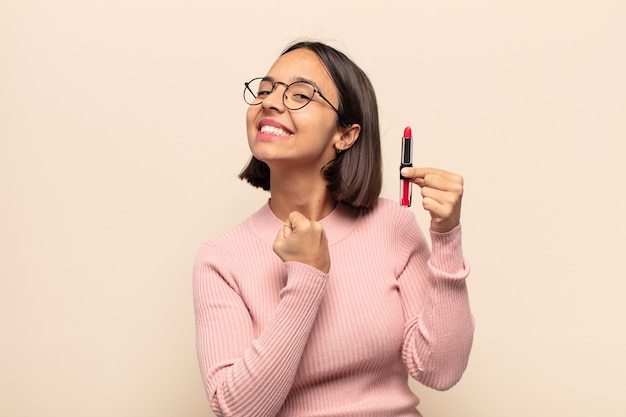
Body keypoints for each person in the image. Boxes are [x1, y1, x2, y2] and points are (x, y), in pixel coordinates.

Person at [193, 40, 474, 417]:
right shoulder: (221, 258)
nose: (271, 102)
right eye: (265, 90)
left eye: (301, 95)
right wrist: (307, 278)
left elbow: (440, 371)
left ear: (346, 135)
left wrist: (447, 238)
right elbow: (239, 410)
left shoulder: (393, 226)